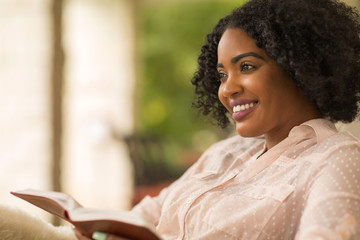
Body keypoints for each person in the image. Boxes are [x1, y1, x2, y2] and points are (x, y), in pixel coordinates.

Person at [76, 0, 360, 239]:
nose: (227, 88)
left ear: (300, 67)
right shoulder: (225, 153)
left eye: (246, 67)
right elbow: (146, 216)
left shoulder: (336, 157)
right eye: (222, 75)